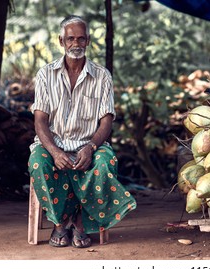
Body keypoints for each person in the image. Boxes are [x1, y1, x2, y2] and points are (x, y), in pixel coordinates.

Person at [28, 15, 137, 248]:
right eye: (70, 39)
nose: (75, 43)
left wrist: (91, 147)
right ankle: (61, 222)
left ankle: (79, 222)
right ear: (61, 41)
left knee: (105, 162)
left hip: (90, 143)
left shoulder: (102, 76)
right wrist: (55, 152)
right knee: (38, 161)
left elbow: (106, 122)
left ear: (87, 41)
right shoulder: (45, 75)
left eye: (80, 38)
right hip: (53, 144)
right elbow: (40, 122)